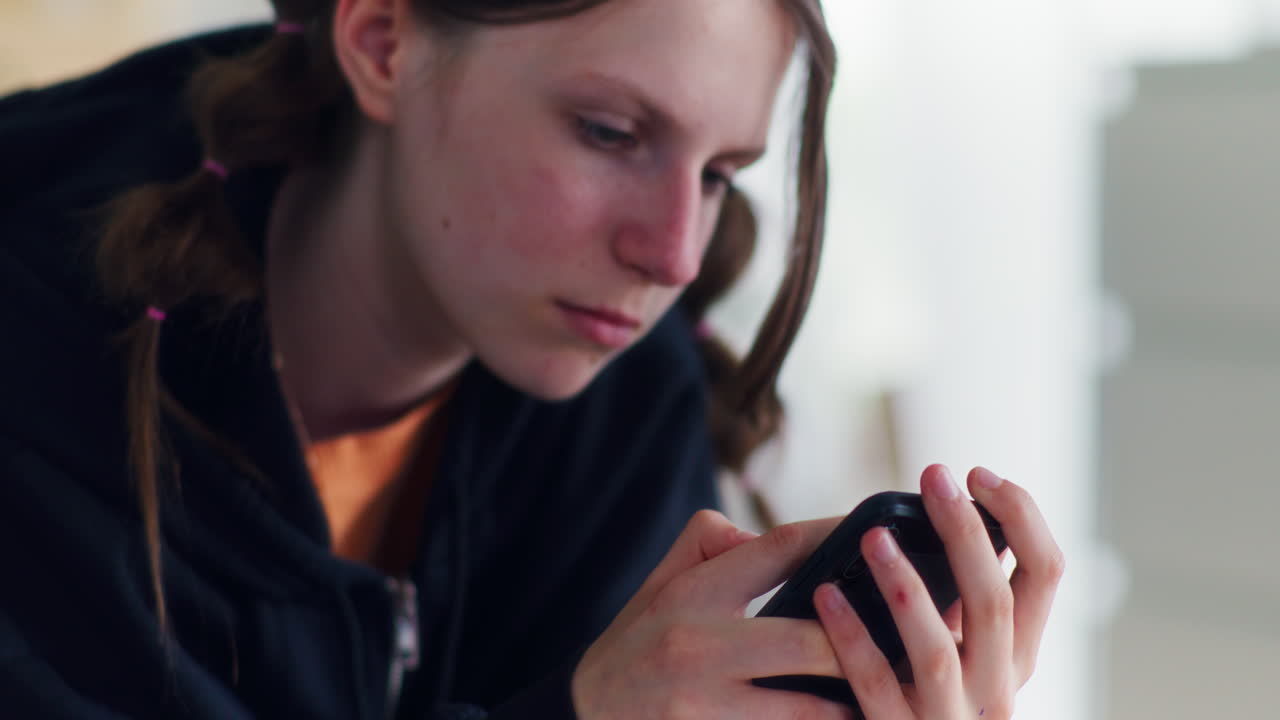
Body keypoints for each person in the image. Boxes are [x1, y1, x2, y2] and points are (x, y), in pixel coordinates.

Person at [0, 0, 1064, 718]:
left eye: (718, 174)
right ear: (382, 44)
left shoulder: (629, 415)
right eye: (608, 132)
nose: (673, 254)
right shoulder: (36, 353)